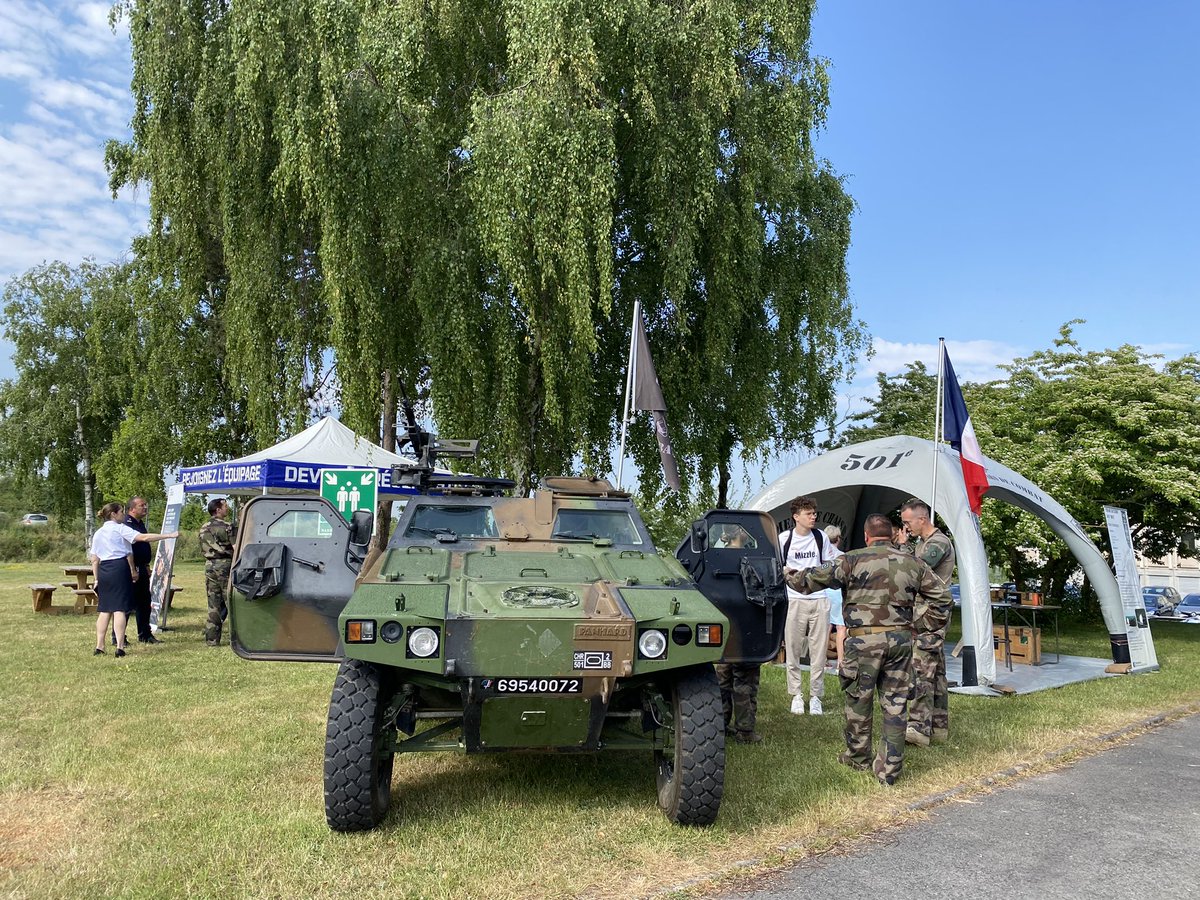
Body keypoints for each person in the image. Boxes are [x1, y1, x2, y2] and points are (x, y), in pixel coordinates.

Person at [785, 513, 950, 786]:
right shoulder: (913, 562)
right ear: (892, 534)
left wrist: (785, 572)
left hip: (862, 642)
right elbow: (942, 599)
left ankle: (858, 757)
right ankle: (889, 770)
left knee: (858, 701)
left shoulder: (851, 560)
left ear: (866, 535)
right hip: (899, 642)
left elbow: (808, 581)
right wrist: (918, 626)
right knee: (896, 705)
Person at [899, 498, 957, 746]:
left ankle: (919, 728)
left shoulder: (938, 543)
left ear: (922, 519)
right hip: (927, 614)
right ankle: (938, 726)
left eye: (908, 522)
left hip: (930, 615)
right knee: (937, 671)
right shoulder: (923, 543)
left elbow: (914, 571)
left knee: (922, 668)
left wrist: (903, 549)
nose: (906, 527)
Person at [90, 501, 179, 659]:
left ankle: (100, 646)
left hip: (104, 570)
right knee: (119, 609)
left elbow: (94, 559)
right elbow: (144, 538)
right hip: (118, 568)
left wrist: (96, 579)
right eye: (121, 512)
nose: (123, 515)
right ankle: (119, 646)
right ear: (113, 514)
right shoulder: (120, 528)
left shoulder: (98, 533)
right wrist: (169, 535)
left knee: (104, 610)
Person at [780, 496, 841, 715]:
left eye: (814, 513)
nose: (813, 517)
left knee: (819, 650)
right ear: (796, 517)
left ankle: (816, 696)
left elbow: (828, 564)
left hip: (819, 598)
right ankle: (796, 694)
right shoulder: (784, 538)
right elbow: (780, 566)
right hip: (795, 599)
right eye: (809, 513)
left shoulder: (820, 536)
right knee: (794, 647)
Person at [713, 525, 763, 743]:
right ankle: (745, 731)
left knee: (723, 678)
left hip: (723, 624)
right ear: (740, 534)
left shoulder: (716, 556)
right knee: (744, 681)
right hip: (745, 624)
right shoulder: (751, 558)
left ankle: (720, 724)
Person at [124, 496, 160, 644]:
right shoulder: (126, 524)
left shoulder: (140, 524)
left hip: (142, 567)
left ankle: (145, 634)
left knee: (144, 602)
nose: (145, 508)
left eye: (146, 505)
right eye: (141, 505)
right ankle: (119, 637)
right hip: (130, 568)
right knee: (126, 603)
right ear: (132, 508)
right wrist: (133, 569)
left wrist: (146, 566)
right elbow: (127, 549)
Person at [200, 498, 236, 646]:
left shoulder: (204, 527)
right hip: (226, 565)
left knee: (213, 603)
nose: (227, 509)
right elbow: (237, 546)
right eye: (225, 506)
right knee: (232, 601)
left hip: (209, 565)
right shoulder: (228, 526)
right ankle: (238, 639)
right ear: (218, 509)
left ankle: (212, 639)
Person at [823, 525, 846, 672]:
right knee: (841, 627)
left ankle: (822, 660)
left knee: (825, 626)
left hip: (824, 593)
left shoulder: (821, 555)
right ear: (838, 539)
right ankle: (841, 662)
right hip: (837, 593)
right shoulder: (842, 556)